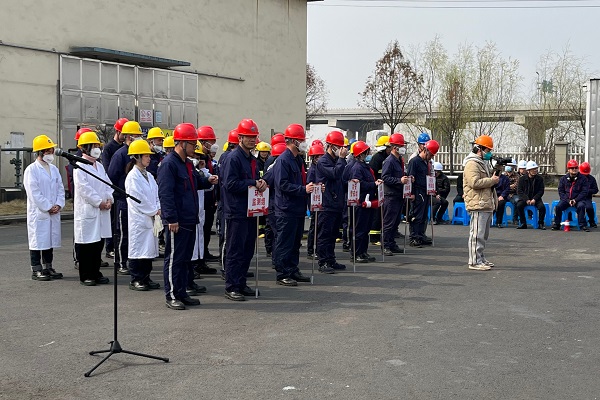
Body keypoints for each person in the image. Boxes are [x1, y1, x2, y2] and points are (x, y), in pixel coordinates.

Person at [158, 123, 217, 310]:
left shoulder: (187, 164)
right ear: (181, 143)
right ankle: (172, 295)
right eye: (192, 143)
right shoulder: (169, 164)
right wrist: (171, 218)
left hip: (190, 218)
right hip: (178, 220)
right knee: (174, 259)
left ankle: (182, 292)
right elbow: (165, 194)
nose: (195, 147)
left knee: (185, 259)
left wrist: (207, 180)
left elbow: (195, 183)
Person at [220, 119, 265, 300]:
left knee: (247, 250)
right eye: (248, 137)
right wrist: (253, 183)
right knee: (235, 250)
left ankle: (241, 282)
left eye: (254, 137)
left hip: (250, 210)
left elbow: (254, 180)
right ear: (240, 138)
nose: (252, 140)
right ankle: (232, 286)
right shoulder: (233, 158)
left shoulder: (252, 160)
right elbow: (230, 184)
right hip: (236, 211)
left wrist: (261, 183)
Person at [272, 123, 314, 284]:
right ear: (293, 141)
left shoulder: (298, 160)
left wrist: (310, 187)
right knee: (285, 242)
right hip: (286, 208)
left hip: (297, 208)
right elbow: (282, 184)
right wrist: (303, 189)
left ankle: (292, 269)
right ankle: (282, 273)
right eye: (301, 140)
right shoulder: (283, 160)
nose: (303, 143)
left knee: (295, 242)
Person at [73, 132, 114, 285]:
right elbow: (84, 189)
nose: (97, 149)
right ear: (85, 148)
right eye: (94, 146)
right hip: (89, 210)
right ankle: (86, 275)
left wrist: (109, 199)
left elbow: (108, 184)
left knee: (98, 244)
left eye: (98, 146)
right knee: (87, 245)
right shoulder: (79, 166)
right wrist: (99, 202)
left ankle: (96, 272)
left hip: (102, 210)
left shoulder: (100, 166)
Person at [23, 135, 65, 281]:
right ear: (40, 152)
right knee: (37, 240)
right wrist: (47, 207)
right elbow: (34, 193)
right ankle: (36, 269)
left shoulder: (54, 169)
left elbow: (60, 188)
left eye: (51, 151)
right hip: (39, 212)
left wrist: (58, 204)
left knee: (49, 240)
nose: (51, 154)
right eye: (48, 151)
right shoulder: (31, 170)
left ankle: (48, 267)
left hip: (53, 211)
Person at [107, 121, 144, 276]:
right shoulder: (120, 154)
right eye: (136, 135)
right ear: (128, 137)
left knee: (135, 232)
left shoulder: (139, 153)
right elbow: (112, 177)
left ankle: (133, 260)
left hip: (136, 200)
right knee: (123, 233)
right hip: (123, 200)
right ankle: (121, 262)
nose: (139, 138)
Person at [125, 140, 161, 291]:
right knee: (138, 249)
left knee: (148, 250)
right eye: (146, 156)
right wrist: (154, 210)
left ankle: (146, 277)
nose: (149, 158)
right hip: (140, 219)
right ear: (137, 157)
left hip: (151, 217)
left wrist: (158, 208)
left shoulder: (149, 176)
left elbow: (156, 194)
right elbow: (138, 199)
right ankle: (136, 278)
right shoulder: (132, 177)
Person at [463, 135, 498, 271]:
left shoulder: (481, 163)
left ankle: (480, 258)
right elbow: (474, 182)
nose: (489, 153)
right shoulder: (472, 163)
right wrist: (492, 181)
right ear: (479, 149)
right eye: (487, 150)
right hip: (478, 203)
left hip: (485, 203)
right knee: (477, 234)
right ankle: (474, 261)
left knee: (483, 235)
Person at [315, 130, 348, 273]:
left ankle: (330, 259)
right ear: (331, 146)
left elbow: (340, 179)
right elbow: (335, 174)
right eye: (339, 146)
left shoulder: (336, 161)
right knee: (325, 234)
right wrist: (341, 159)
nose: (341, 149)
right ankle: (323, 261)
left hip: (336, 203)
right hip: (326, 204)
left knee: (333, 234)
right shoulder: (323, 161)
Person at [349, 141, 382, 263]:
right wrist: (373, 184)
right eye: (365, 152)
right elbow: (359, 184)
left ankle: (363, 252)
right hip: (361, 202)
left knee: (365, 229)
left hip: (367, 201)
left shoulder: (364, 166)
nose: (368, 154)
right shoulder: (357, 168)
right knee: (359, 229)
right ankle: (356, 253)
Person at [102, 118, 128, 259]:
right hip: (114, 189)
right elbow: (108, 171)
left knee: (119, 222)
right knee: (113, 221)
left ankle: (118, 246)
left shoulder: (125, 148)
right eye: (124, 133)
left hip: (123, 190)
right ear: (118, 132)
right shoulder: (109, 148)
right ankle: (110, 247)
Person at [196, 126, 220, 271]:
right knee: (200, 231)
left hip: (209, 199)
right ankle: (199, 261)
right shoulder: (198, 158)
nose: (212, 145)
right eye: (210, 142)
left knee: (205, 231)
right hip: (202, 200)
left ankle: (203, 256)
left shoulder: (207, 158)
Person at [381, 133, 409, 256]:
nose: (403, 148)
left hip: (398, 195)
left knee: (395, 222)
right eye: (401, 146)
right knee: (388, 222)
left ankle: (391, 243)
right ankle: (386, 245)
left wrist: (407, 178)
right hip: (390, 195)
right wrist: (399, 181)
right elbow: (385, 177)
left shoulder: (398, 160)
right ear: (394, 147)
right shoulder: (389, 161)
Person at [406, 140, 438, 247]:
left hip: (425, 191)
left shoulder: (426, 163)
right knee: (416, 215)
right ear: (425, 150)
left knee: (423, 215)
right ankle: (414, 237)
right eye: (430, 155)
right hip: (417, 191)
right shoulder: (414, 161)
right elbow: (410, 177)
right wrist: (411, 193)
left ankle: (420, 235)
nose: (431, 157)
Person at [552, 159, 590, 232]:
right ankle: (557, 224)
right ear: (568, 169)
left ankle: (582, 225)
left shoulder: (583, 179)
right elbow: (561, 191)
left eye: (576, 167)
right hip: (566, 199)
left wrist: (575, 200)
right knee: (558, 207)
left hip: (578, 200)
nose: (574, 169)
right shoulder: (563, 179)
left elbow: (584, 192)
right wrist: (568, 200)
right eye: (572, 168)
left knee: (581, 206)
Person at [368, 135, 392, 245]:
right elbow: (372, 173)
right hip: (377, 189)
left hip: (384, 189)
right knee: (377, 213)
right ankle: (374, 237)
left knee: (383, 213)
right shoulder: (377, 158)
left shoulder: (388, 158)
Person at [306, 143, 325, 259]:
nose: (320, 158)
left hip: (319, 199)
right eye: (318, 156)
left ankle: (316, 248)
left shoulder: (319, 168)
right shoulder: (312, 170)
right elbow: (310, 184)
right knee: (314, 225)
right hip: (313, 200)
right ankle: (311, 250)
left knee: (318, 225)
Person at [516, 161, 546, 229]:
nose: (535, 171)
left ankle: (540, 223)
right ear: (528, 170)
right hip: (525, 198)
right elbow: (519, 191)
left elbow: (541, 191)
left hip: (536, 199)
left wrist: (534, 199)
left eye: (535, 169)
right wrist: (526, 199)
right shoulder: (522, 179)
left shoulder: (539, 179)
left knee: (542, 207)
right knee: (519, 205)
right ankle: (523, 223)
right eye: (533, 169)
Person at [579, 161, 598, 228]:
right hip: (577, 197)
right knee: (570, 205)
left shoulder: (592, 179)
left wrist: (587, 191)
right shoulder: (577, 178)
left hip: (587, 198)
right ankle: (569, 219)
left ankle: (591, 221)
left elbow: (596, 190)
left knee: (589, 207)